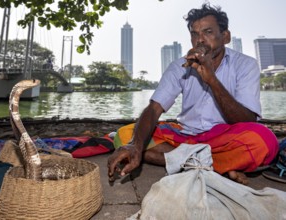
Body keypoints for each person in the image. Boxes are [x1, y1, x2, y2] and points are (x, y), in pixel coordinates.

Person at [107, 3, 279, 185]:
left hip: (223, 137)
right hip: (185, 135)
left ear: (225, 37)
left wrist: (212, 80)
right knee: (125, 135)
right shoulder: (178, 66)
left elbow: (247, 120)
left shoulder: (246, 65)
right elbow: (154, 108)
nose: (200, 40)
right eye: (195, 34)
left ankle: (186, 162)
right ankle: (215, 165)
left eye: (208, 32)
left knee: (264, 140)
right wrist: (135, 145)